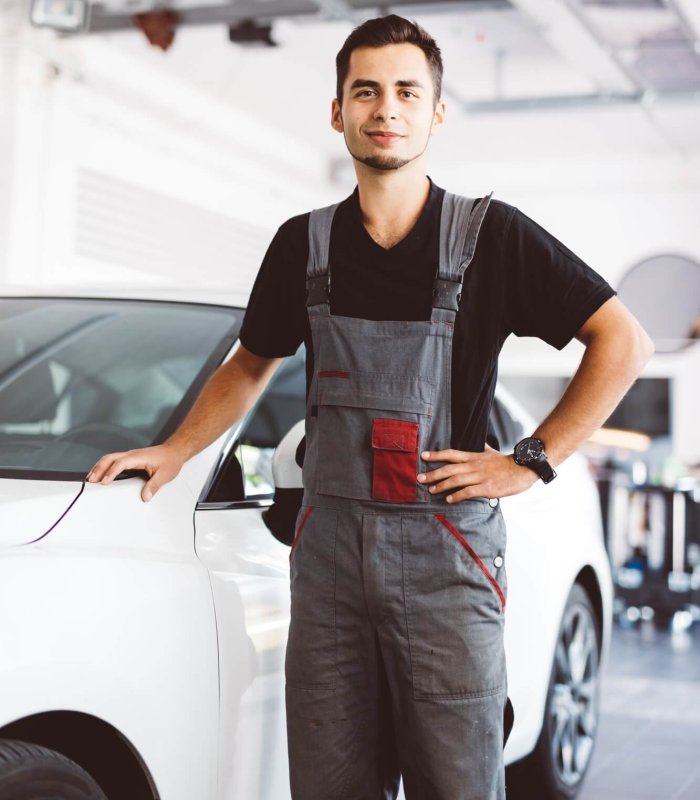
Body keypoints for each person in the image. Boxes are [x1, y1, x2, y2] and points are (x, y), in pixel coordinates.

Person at [88, 14, 654, 799]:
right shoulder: (303, 247)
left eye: (405, 92)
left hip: (446, 559)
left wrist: (532, 460)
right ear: (338, 112)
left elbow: (623, 341)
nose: (385, 108)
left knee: (455, 783)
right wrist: (178, 447)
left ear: (435, 113)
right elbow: (252, 362)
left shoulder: (492, 239)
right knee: (330, 783)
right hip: (329, 569)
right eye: (366, 91)